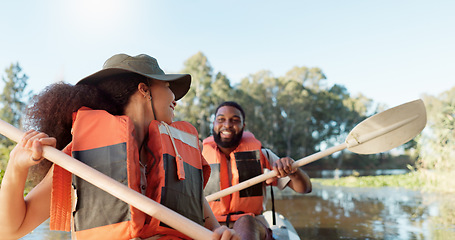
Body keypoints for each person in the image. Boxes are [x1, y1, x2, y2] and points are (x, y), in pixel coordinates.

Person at [0, 54, 238, 240]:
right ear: (144, 90)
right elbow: (10, 231)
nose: (174, 98)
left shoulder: (177, 159)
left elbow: (212, 231)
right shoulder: (81, 159)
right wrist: (16, 166)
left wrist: (223, 235)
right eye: (167, 87)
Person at [203, 101, 312, 240]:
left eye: (235, 120)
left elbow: (305, 188)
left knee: (245, 221)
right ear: (213, 124)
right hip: (212, 226)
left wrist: (292, 171)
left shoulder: (263, 155)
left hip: (253, 226)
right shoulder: (198, 156)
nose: (227, 125)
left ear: (243, 125)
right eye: (221, 119)